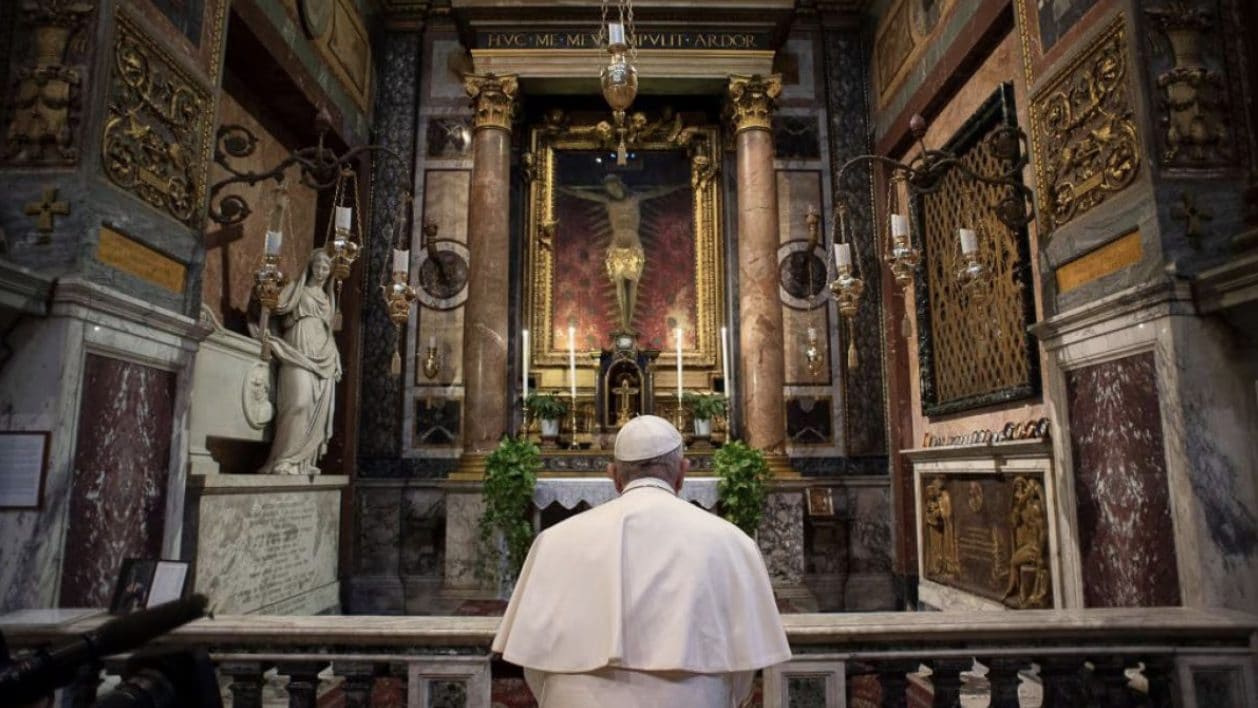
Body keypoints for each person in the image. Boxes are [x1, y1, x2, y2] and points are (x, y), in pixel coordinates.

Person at [493, 415, 790, 707]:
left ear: (614, 476)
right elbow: (744, 669)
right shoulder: (732, 542)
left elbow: (534, 666)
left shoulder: (553, 541)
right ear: (682, 473)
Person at [558, 175, 686, 333]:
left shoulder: (635, 198)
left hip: (633, 242)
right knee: (619, 284)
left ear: (620, 185)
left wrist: (680, 185)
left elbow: (658, 191)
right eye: (609, 189)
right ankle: (623, 326)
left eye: (614, 187)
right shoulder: (609, 202)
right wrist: (561, 188)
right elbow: (583, 194)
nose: (612, 191)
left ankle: (628, 324)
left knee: (632, 285)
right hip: (616, 242)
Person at [257, 248, 341, 475]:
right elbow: (276, 305)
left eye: (326, 268)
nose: (322, 272)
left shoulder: (327, 298)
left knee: (316, 409)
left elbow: (329, 331)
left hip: (324, 355)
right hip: (296, 349)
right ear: (310, 266)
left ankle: (302, 462)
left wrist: (337, 359)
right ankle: (283, 459)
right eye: (318, 266)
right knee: (299, 402)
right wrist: (267, 296)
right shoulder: (298, 289)